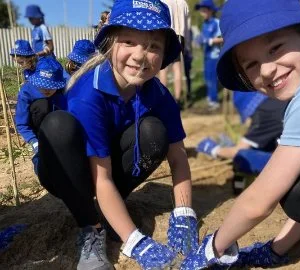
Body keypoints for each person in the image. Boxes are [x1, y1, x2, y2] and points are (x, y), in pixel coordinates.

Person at [181, 0, 300, 269]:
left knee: (297, 189)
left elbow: (259, 201)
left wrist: (211, 248)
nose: (266, 70)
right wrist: (276, 250)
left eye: (275, 48)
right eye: (251, 65)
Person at [36, 0, 198, 269]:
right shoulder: (89, 93)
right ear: (111, 43)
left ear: (165, 53)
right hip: (69, 171)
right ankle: (91, 226)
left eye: (153, 46)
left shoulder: (157, 93)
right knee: (57, 126)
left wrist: (184, 212)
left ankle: (111, 209)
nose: (140, 55)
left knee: (153, 131)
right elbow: (101, 177)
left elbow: (179, 158)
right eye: (129, 42)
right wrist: (135, 240)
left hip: (107, 167)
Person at [197, 92, 287, 194]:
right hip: (298, 155)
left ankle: (242, 191)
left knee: (243, 156)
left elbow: (237, 151)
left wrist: (214, 150)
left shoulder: (263, 114)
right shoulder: (276, 102)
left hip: (292, 165)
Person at [15, 57, 67, 176]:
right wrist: (34, 142)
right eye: (43, 85)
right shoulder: (26, 92)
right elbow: (22, 124)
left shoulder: (62, 92)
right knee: (41, 104)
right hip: (38, 131)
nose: (46, 89)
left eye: (51, 86)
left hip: (58, 129)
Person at [159, 0, 190, 109]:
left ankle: (162, 99)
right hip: (180, 36)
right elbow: (187, 25)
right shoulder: (183, 3)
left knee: (163, 68)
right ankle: (177, 99)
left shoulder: (163, 1)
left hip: (167, 34)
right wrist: (187, 44)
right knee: (177, 68)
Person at [195, 0, 223, 110]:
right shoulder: (204, 24)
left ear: (210, 10)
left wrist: (211, 41)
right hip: (206, 55)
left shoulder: (216, 22)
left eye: (204, 10)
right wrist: (199, 40)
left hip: (214, 56)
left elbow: (223, 38)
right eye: (201, 10)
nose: (202, 12)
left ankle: (214, 100)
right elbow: (203, 37)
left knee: (212, 78)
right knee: (207, 76)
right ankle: (210, 97)